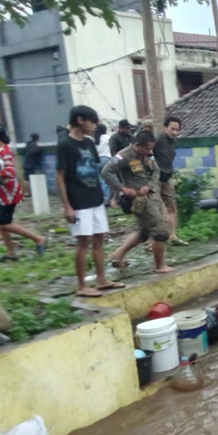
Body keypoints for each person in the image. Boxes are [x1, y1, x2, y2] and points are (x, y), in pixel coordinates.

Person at [57, 106, 124, 297]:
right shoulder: (65, 144)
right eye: (92, 122)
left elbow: (94, 168)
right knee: (83, 242)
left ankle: (102, 279)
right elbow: (60, 176)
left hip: (94, 198)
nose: (95, 126)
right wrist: (67, 205)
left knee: (99, 239)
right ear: (80, 120)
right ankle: (81, 286)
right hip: (78, 201)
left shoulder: (87, 143)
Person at [102, 131, 175, 273]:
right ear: (137, 145)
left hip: (153, 195)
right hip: (139, 200)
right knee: (160, 230)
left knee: (145, 231)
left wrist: (149, 185)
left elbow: (156, 171)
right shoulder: (123, 155)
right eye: (147, 148)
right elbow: (106, 172)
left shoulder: (148, 154)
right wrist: (123, 188)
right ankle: (159, 266)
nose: (149, 152)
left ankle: (118, 255)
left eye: (151, 149)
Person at [0, 124, 46, 261]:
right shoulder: (0, 151)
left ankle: (38, 239)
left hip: (7, 191)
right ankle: (11, 252)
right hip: (2, 191)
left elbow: (9, 172)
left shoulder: (4, 152)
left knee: (4, 223)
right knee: (0, 222)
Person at [153, 115, 187, 245]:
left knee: (172, 207)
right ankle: (152, 242)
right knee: (155, 211)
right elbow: (147, 156)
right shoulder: (157, 140)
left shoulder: (173, 142)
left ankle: (173, 237)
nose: (175, 132)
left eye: (177, 130)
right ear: (165, 127)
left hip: (167, 179)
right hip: (154, 180)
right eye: (172, 129)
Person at [94, 124, 111, 204]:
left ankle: (102, 198)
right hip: (106, 159)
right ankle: (107, 199)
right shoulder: (107, 137)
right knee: (107, 180)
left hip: (97, 160)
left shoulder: (95, 139)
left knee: (100, 180)